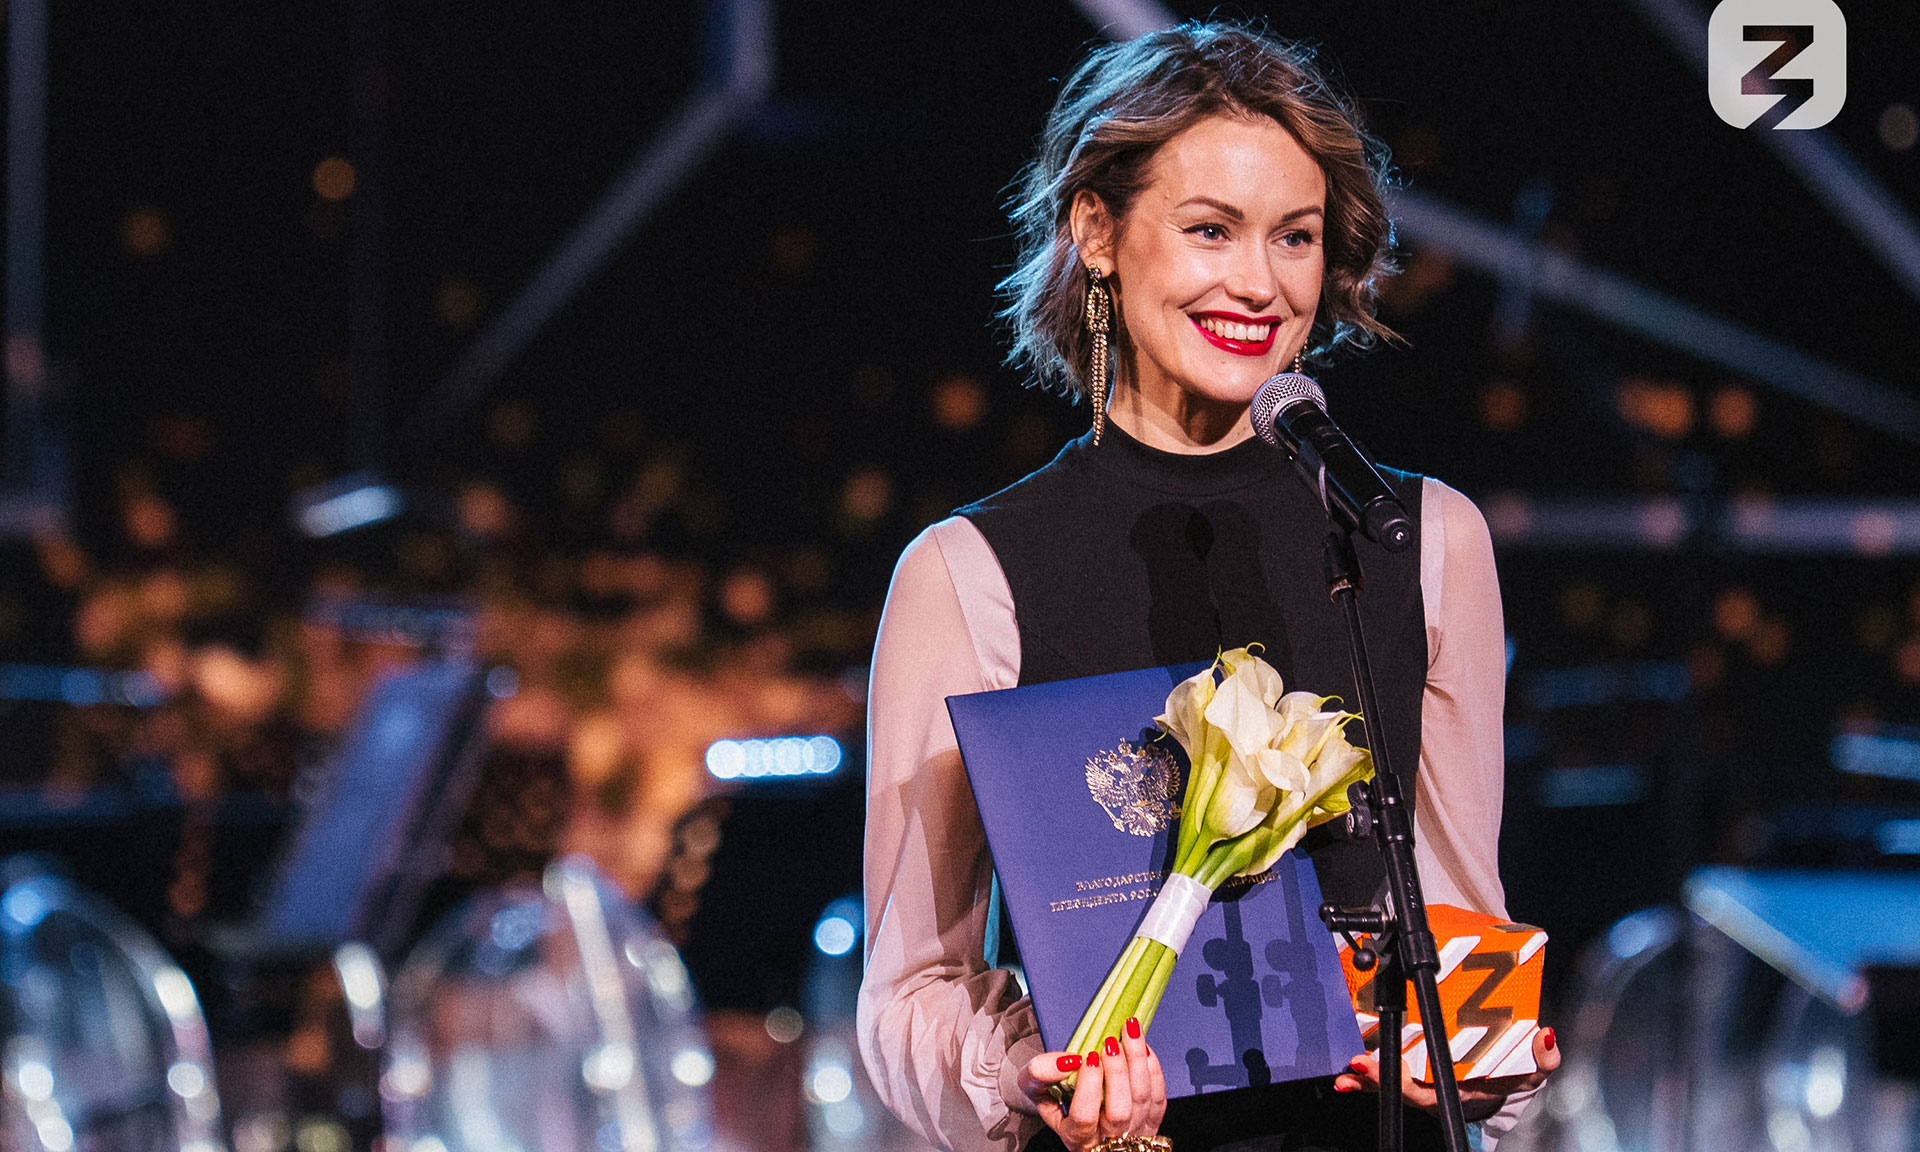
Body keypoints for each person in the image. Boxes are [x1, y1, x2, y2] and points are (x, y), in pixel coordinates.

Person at [857, 22, 1557, 1152]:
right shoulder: (967, 572)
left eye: (1295, 237)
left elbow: (1463, 913)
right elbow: (909, 991)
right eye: (1210, 230)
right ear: (1097, 230)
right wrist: (1031, 1073)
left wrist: (1482, 1058)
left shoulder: (1423, 537)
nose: (1259, 282)